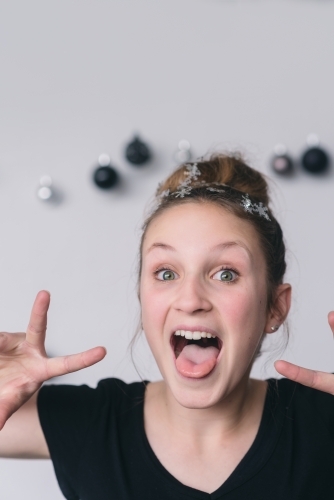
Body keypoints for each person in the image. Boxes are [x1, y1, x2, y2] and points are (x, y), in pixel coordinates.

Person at [0, 153, 333, 500]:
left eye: (226, 274)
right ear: (143, 298)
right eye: (166, 273)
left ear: (275, 308)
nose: (190, 300)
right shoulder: (92, 424)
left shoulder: (325, 424)